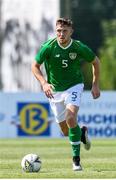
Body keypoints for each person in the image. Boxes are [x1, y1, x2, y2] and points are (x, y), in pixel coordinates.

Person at [32, 18, 100, 171]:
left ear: (71, 32)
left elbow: (96, 62)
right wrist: (44, 83)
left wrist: (95, 85)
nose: (61, 34)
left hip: (74, 86)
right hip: (55, 91)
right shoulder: (48, 47)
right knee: (65, 131)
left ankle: (76, 161)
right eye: (58, 31)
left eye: (64, 31)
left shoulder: (78, 47)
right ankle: (81, 133)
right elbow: (34, 66)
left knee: (71, 118)